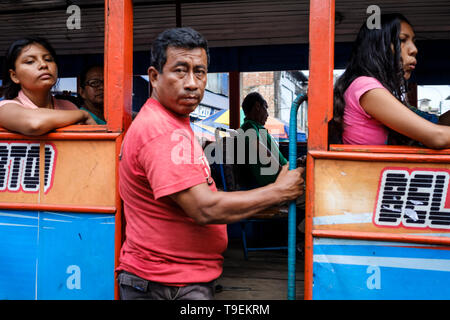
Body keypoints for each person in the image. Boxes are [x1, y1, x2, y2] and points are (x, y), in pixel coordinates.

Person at [116, 27, 305, 300]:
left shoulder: (174, 123)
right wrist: (278, 192)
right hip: (165, 285)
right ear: (155, 77)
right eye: (180, 70)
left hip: (175, 279)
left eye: (200, 72)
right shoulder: (161, 130)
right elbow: (203, 208)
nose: (192, 83)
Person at [330, 13, 450, 148]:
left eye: (413, 42)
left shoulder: (380, 92)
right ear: (378, 47)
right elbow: (437, 136)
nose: (414, 50)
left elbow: (436, 123)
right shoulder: (366, 87)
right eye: (402, 40)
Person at [0, 37, 96, 135]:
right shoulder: (5, 108)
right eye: (30, 61)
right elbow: (34, 124)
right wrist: (83, 114)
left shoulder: (68, 106)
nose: (43, 64)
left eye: (48, 59)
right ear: (14, 76)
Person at [239, 91, 288, 188]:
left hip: (282, 173)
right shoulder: (248, 126)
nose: (267, 114)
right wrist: (282, 171)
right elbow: (262, 151)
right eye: (265, 107)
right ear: (257, 106)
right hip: (275, 180)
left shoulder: (257, 128)